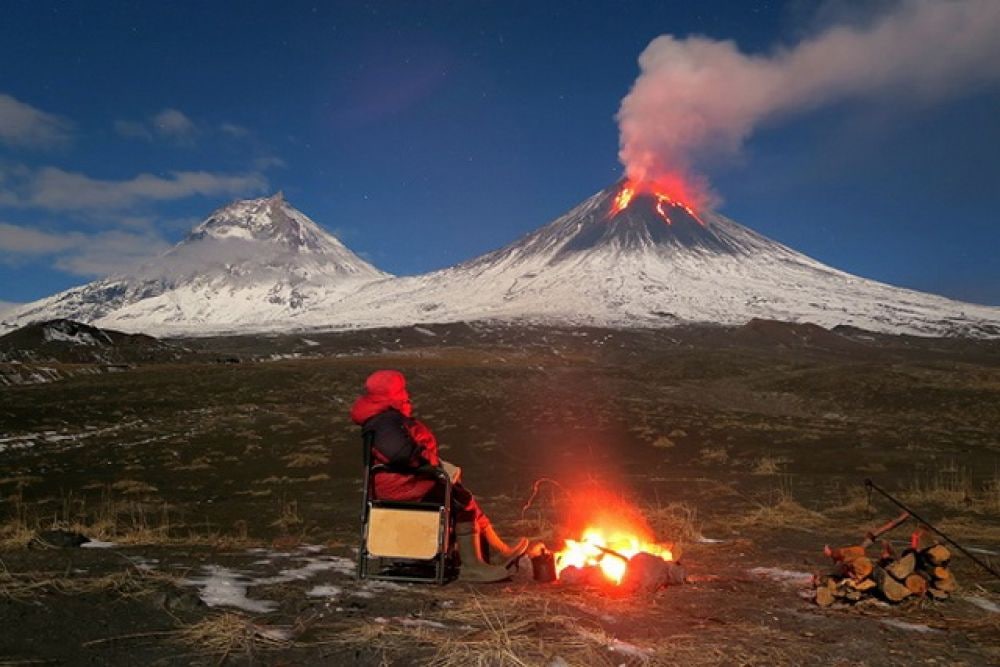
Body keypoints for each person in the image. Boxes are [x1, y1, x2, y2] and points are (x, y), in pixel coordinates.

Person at [351, 369, 527, 582]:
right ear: (392, 392)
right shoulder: (385, 421)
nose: (406, 394)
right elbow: (401, 454)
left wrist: (439, 466)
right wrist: (437, 466)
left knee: (460, 494)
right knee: (460, 502)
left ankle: (498, 552)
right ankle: (472, 567)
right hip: (402, 488)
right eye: (402, 389)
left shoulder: (383, 416)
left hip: (404, 481)